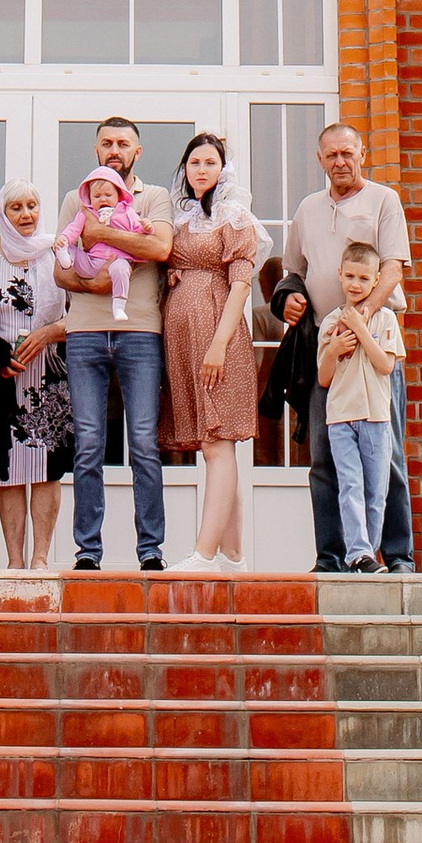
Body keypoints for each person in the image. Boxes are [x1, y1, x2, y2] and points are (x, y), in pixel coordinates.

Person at [274, 122, 416, 572]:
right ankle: (332, 557)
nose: (340, 161)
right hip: (327, 349)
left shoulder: (383, 200)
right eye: (331, 154)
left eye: (348, 153)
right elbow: (292, 268)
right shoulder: (307, 209)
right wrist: (291, 296)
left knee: (387, 458)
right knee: (324, 460)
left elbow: (392, 270)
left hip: (374, 352)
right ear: (319, 159)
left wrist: (362, 321)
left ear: (362, 154)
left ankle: (397, 556)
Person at [60, 111, 174, 571]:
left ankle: (150, 550)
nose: (114, 151)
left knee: (144, 442)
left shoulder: (156, 197)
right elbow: (60, 269)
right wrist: (99, 283)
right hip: (84, 333)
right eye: (107, 143)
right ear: (96, 149)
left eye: (123, 144)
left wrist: (102, 235)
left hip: (141, 332)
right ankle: (88, 551)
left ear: (137, 152)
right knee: (88, 444)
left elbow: (160, 249)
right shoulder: (75, 198)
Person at [160, 128, 265, 571]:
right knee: (214, 445)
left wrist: (219, 344)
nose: (200, 170)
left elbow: (241, 283)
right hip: (182, 338)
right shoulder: (180, 219)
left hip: (217, 334)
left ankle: (204, 553)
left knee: (218, 444)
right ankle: (235, 556)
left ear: (224, 170)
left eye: (210, 163)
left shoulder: (234, 215)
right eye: (194, 162)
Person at [0, 178, 73, 566]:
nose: (26, 214)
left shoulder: (58, 251)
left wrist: (50, 333)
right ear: (3, 213)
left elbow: (81, 312)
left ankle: (41, 558)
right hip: (2, 377)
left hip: (48, 372)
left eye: (32, 205)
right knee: (8, 470)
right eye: (16, 207)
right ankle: (15, 560)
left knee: (47, 469)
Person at [316, 239, 404, 572]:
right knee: (350, 485)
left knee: (376, 490)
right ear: (340, 275)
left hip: (376, 418)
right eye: (350, 276)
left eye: (364, 279)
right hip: (341, 417)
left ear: (376, 281)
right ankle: (358, 555)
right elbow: (324, 378)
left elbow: (386, 365)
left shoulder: (385, 321)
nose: (356, 284)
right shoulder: (330, 324)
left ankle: (369, 550)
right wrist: (335, 347)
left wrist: (360, 329)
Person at [55, 163, 150, 320]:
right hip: (91, 262)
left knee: (122, 268)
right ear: (89, 198)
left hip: (115, 261)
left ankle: (119, 307)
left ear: (118, 195)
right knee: (70, 247)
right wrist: (63, 239)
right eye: (97, 196)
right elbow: (73, 229)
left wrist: (147, 226)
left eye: (108, 195)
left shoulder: (126, 212)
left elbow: (138, 229)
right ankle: (65, 257)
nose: (103, 199)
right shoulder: (85, 213)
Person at [259, 266, 320, 463]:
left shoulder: (260, 315)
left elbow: (257, 363)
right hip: (299, 377)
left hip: (288, 379)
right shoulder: (264, 315)